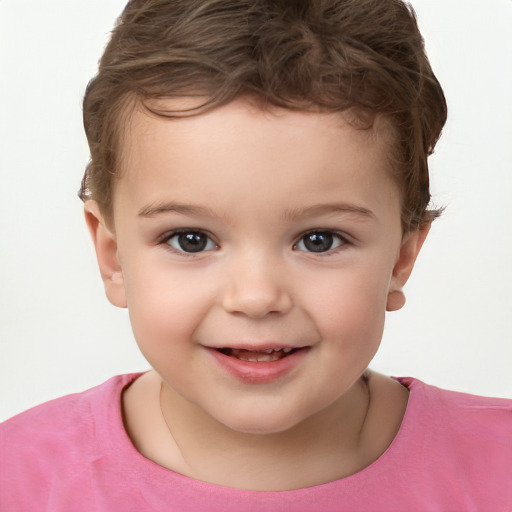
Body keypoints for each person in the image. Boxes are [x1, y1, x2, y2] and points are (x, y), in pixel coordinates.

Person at [0, 0, 510, 510]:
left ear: (401, 258)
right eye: (191, 239)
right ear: (112, 256)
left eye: (319, 240)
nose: (256, 297)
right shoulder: (19, 479)